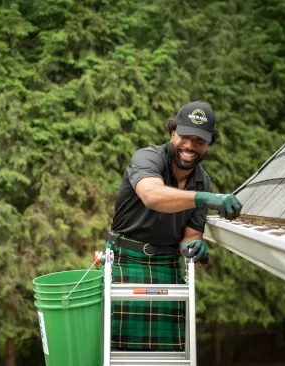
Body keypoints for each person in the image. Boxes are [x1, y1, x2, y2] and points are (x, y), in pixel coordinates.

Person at [104, 100, 243, 352]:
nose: (190, 146)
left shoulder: (203, 182)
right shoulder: (147, 158)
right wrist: (203, 199)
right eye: (185, 136)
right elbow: (152, 196)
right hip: (125, 262)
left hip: (166, 267)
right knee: (115, 353)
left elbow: (190, 236)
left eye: (199, 141)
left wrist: (195, 247)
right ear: (172, 133)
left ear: (209, 144)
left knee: (168, 354)